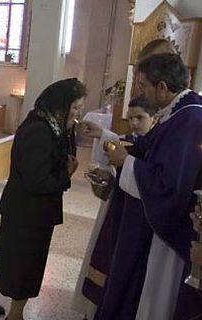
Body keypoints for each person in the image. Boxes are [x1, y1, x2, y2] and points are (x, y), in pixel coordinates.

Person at [91, 53, 202, 320]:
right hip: (152, 223)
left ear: (162, 87)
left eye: (142, 85)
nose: (139, 91)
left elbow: (168, 186)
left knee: (154, 297)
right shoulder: (179, 113)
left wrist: (126, 163)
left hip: (167, 235)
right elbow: (147, 147)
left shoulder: (189, 121)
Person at [0, 78, 86, 320]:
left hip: (31, 210)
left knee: (15, 260)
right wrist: (66, 176)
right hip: (27, 211)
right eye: (75, 108)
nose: (77, 114)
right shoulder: (39, 131)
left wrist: (70, 133)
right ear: (60, 105)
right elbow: (38, 181)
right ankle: (16, 315)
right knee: (26, 265)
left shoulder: (53, 127)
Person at [72, 95, 158, 319]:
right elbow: (118, 152)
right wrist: (104, 174)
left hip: (138, 218)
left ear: (155, 118)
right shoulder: (132, 140)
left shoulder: (158, 145)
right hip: (117, 209)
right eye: (130, 118)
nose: (134, 123)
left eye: (140, 118)